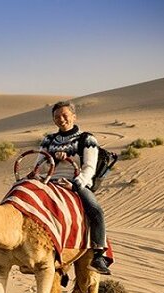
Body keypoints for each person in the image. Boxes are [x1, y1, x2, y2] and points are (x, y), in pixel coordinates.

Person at [38, 100, 111, 274]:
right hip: (50, 181)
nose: (61, 119)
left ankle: (99, 254)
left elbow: (89, 167)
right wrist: (53, 159)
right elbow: (40, 166)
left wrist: (75, 185)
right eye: (57, 117)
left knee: (95, 210)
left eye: (65, 115)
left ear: (73, 116)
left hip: (76, 182)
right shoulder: (48, 140)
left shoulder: (87, 139)